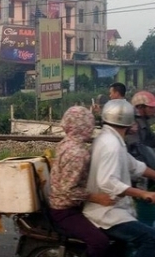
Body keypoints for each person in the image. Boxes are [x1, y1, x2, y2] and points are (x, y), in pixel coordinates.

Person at [84, 99, 155, 257]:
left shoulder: (111, 139)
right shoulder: (112, 145)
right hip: (106, 212)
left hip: (114, 209)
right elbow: (108, 182)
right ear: (128, 123)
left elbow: (134, 165)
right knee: (151, 239)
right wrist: (144, 193)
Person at [48, 106, 116, 257]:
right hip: (65, 210)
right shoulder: (77, 153)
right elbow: (69, 191)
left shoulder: (68, 143)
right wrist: (97, 197)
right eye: (90, 124)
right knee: (99, 242)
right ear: (85, 126)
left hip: (64, 203)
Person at [127, 91, 155, 226]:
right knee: (142, 202)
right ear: (140, 107)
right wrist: (148, 169)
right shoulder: (134, 125)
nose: (153, 109)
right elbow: (136, 149)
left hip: (145, 168)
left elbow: (150, 142)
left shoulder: (144, 122)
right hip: (138, 172)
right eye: (151, 107)